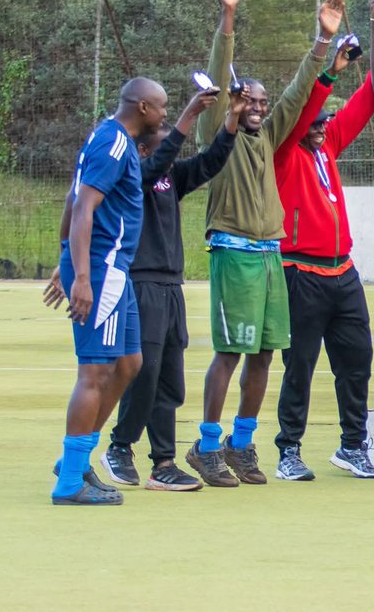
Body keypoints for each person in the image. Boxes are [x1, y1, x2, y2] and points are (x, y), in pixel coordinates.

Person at [186, 0, 345, 488]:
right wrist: (228, 18)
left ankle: (241, 443)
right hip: (233, 253)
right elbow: (219, 67)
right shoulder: (217, 130)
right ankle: (207, 447)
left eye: (260, 101)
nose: (256, 106)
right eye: (247, 98)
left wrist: (322, 40)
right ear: (232, 100)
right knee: (230, 353)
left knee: (264, 355)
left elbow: (300, 92)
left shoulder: (271, 134)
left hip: (270, 255)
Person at [270, 22, 374, 481]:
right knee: (299, 367)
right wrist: (328, 73)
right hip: (300, 272)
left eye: (327, 122)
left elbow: (365, 104)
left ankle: (351, 445)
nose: (324, 128)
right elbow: (302, 116)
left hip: (343, 273)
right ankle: (289, 449)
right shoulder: (285, 149)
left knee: (357, 361)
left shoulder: (327, 147)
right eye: (318, 122)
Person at [94, 78, 236, 491]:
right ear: (143, 150)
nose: (171, 160)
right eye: (163, 149)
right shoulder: (134, 172)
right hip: (142, 284)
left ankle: (163, 462)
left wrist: (231, 120)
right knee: (146, 371)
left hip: (171, 287)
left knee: (170, 376)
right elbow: (157, 164)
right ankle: (120, 446)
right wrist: (190, 115)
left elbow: (209, 162)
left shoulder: (168, 176)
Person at [49, 76, 168, 505]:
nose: (164, 114)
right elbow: (82, 206)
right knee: (96, 371)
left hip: (110, 268)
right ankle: (70, 482)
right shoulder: (115, 143)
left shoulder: (110, 137)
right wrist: (79, 275)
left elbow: (71, 200)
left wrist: (64, 256)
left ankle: (76, 463)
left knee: (129, 363)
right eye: (161, 107)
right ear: (140, 108)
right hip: (101, 270)